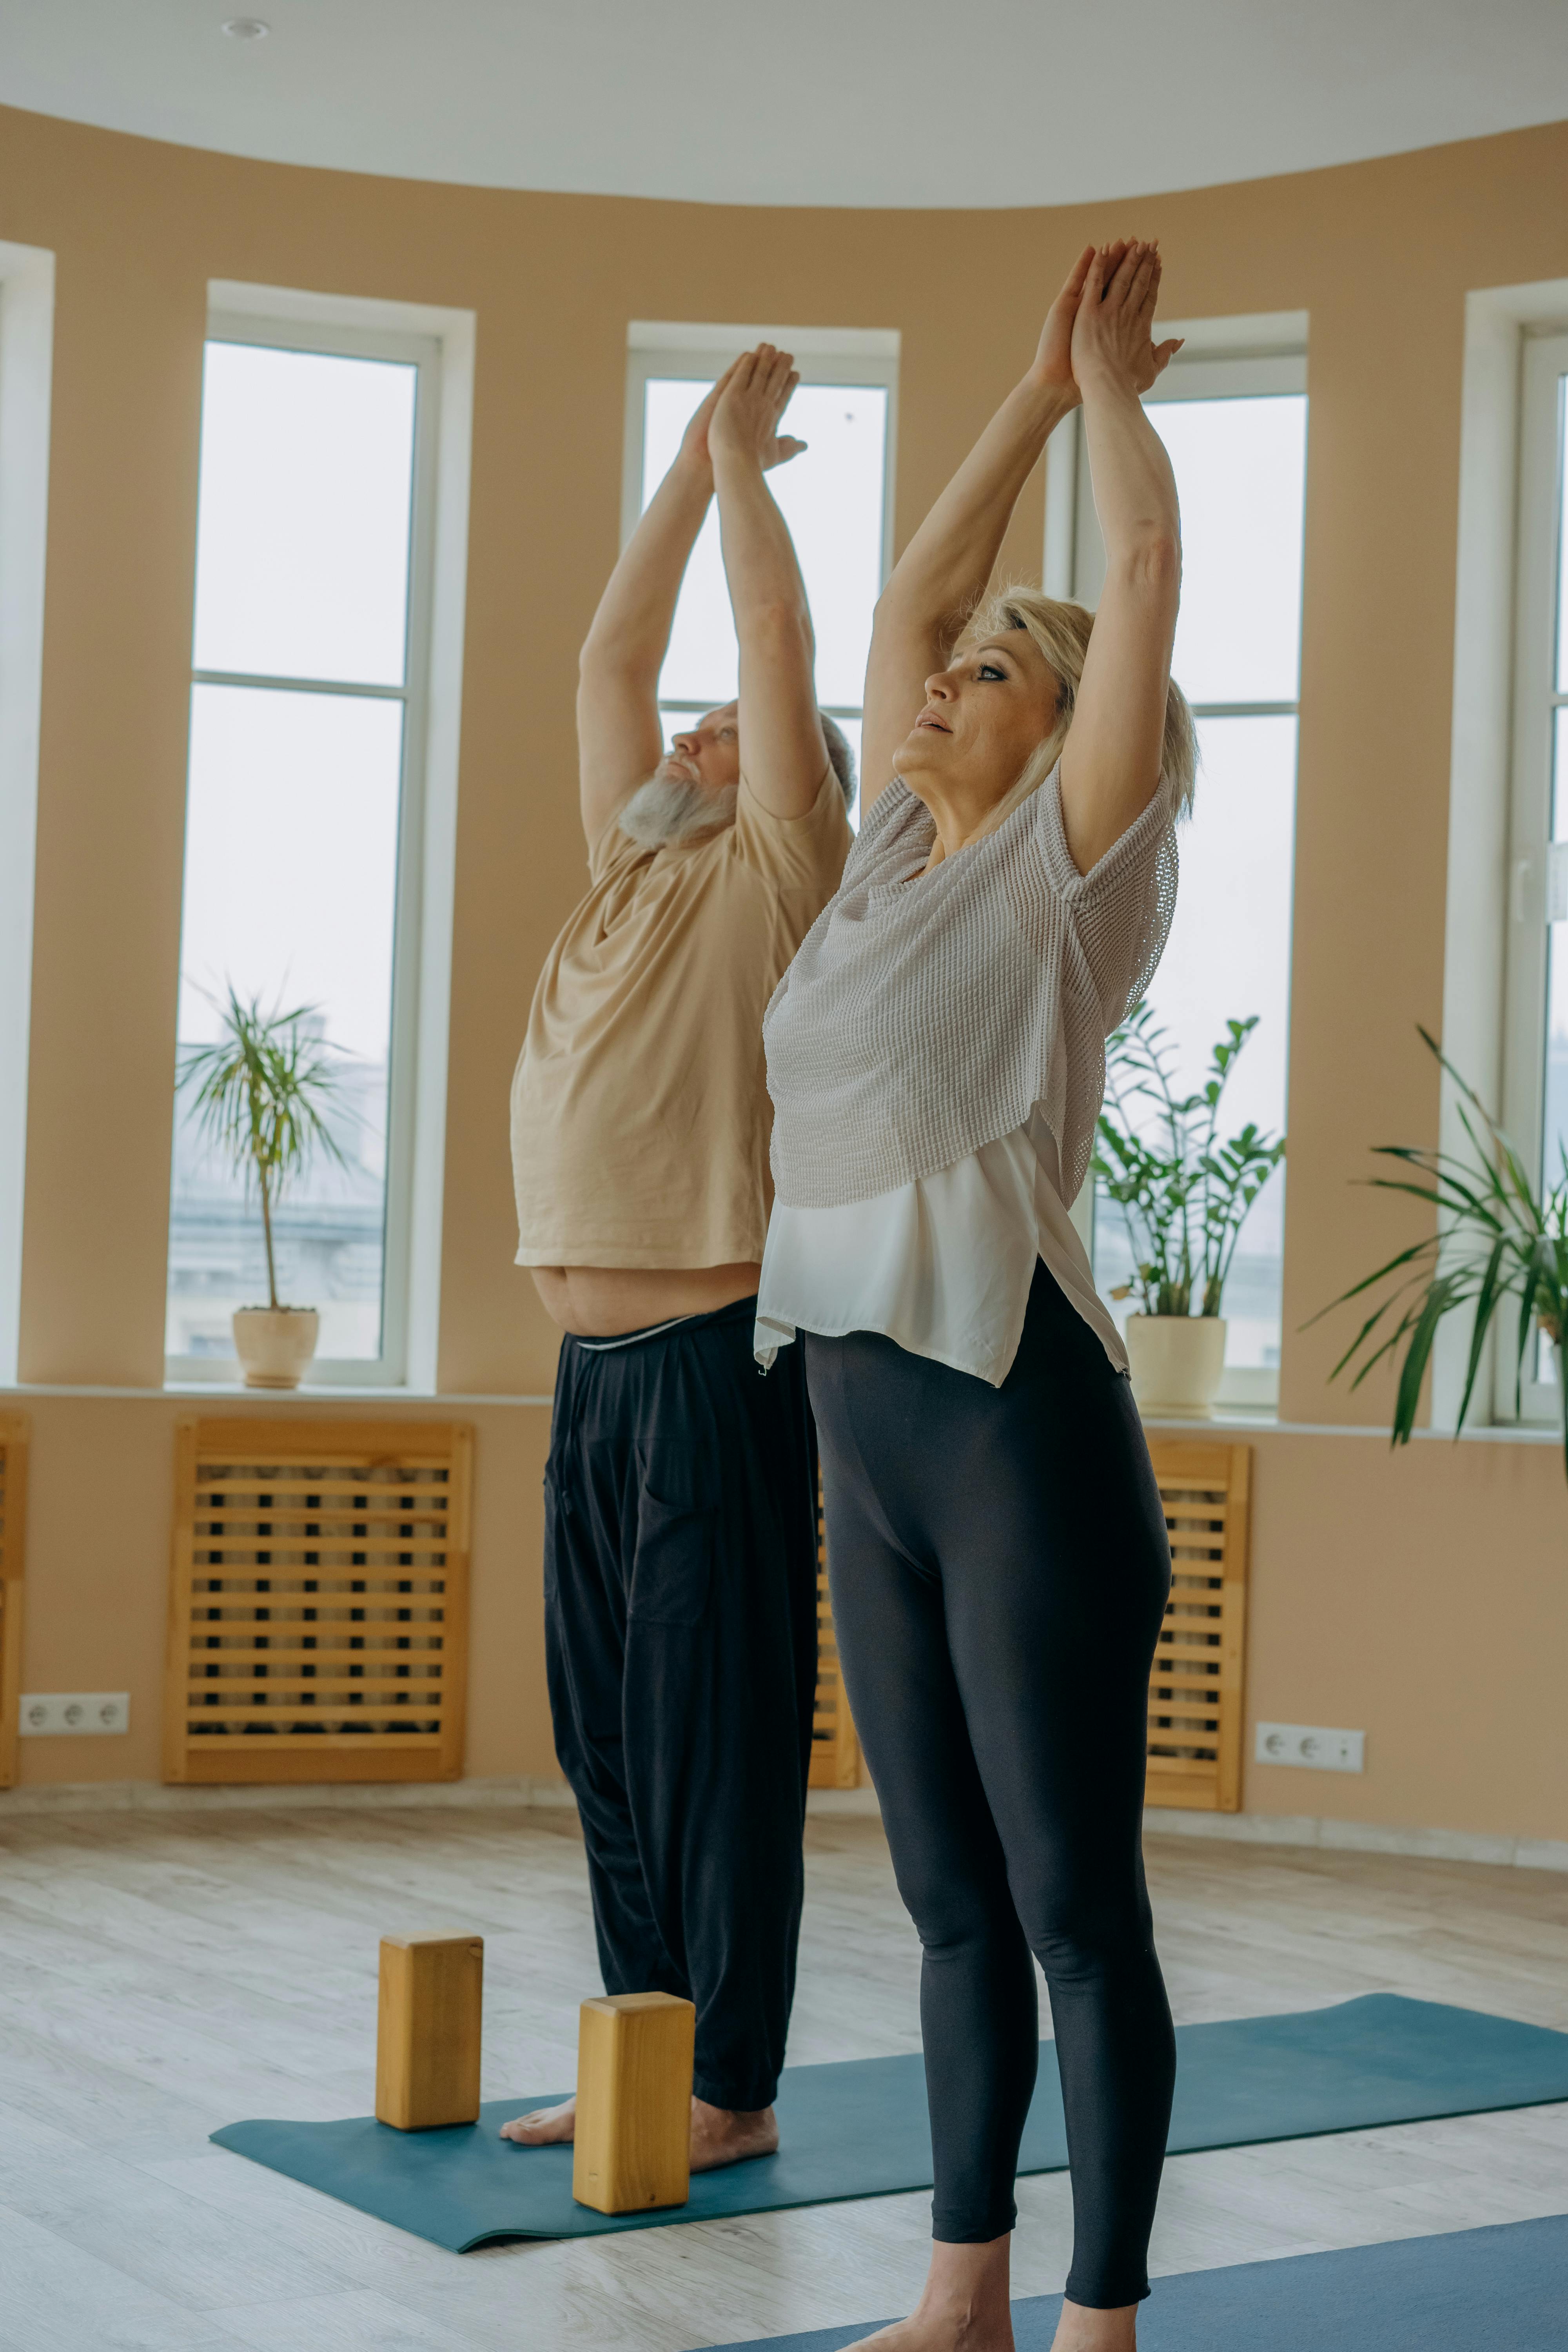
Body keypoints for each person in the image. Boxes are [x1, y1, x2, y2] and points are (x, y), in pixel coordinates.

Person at [756, 244, 1195, 2348]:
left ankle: (1099, 2324)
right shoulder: (884, 867)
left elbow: (1143, 551)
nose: (942, 682)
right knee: (943, 1907)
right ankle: (965, 2298)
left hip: (1019, 1433)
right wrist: (1021, 391)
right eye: (954, 670)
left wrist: (1105, 401)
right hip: (861, 1429)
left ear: (1065, 739)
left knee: (1071, 1914)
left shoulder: (1059, 871)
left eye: (998, 676)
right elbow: (901, 606)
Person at [507, 346, 855, 2171]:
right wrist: (681, 462)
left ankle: (733, 2091)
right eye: (694, 725)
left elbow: (779, 650)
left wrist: (744, 477)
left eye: (726, 731)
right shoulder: (628, 867)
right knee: (608, 1746)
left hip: (720, 1364)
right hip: (592, 1372)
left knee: (713, 1745)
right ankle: (648, 2056)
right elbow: (605, 664)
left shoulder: (778, 872)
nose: (698, 726)